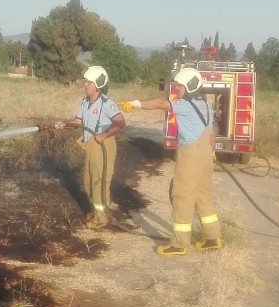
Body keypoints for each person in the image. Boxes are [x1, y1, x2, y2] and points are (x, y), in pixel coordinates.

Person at [120, 68, 222, 256]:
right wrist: (212, 153)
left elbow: (160, 103)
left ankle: (179, 244)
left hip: (191, 154)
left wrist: (134, 103)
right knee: (203, 195)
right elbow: (213, 132)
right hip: (206, 154)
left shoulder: (185, 105)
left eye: (181, 87)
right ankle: (212, 238)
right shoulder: (205, 107)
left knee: (181, 195)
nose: (178, 91)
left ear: (189, 87)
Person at [54, 65, 125, 228]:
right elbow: (78, 122)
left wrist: (104, 135)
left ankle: (100, 218)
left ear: (97, 85)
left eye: (89, 82)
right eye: (86, 82)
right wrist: (63, 124)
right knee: (88, 181)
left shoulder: (107, 104)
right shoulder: (85, 102)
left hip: (102, 145)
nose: (85, 85)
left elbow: (120, 122)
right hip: (90, 145)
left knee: (98, 181)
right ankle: (99, 209)